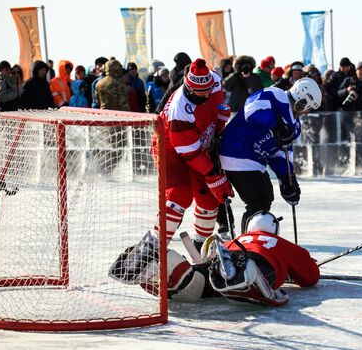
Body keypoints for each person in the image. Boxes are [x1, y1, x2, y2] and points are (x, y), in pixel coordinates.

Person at [109, 210, 319, 306]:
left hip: (225, 256)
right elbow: (310, 277)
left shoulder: (238, 239)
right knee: (240, 273)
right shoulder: (279, 244)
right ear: (274, 231)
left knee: (196, 284)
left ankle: (158, 260)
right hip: (260, 262)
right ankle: (244, 275)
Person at [150, 58, 233, 251]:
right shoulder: (181, 109)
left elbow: (211, 118)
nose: (204, 97)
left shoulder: (216, 83)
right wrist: (213, 175)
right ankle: (155, 246)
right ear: (188, 86)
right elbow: (190, 154)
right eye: (198, 93)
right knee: (180, 195)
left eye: (207, 92)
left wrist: (219, 122)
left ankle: (200, 246)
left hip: (197, 143)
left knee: (210, 200)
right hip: (170, 146)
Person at [219, 77, 322, 231]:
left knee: (266, 198)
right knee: (259, 201)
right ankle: (245, 245)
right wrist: (277, 126)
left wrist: (288, 179)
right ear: (302, 100)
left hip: (253, 159)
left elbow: (280, 153)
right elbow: (251, 111)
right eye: (308, 107)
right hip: (236, 152)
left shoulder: (295, 125)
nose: (307, 112)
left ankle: (252, 241)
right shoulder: (275, 95)